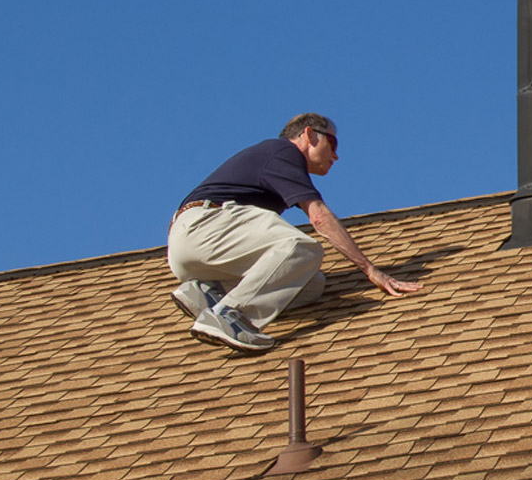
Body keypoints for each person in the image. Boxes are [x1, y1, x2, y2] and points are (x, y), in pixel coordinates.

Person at [166, 113, 421, 352]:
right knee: (302, 248)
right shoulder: (282, 152)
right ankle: (231, 316)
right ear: (309, 134)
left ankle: (209, 292)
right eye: (332, 143)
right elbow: (319, 217)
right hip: (208, 227)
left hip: (194, 247)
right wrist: (370, 269)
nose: (336, 155)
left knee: (311, 284)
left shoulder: (274, 161)